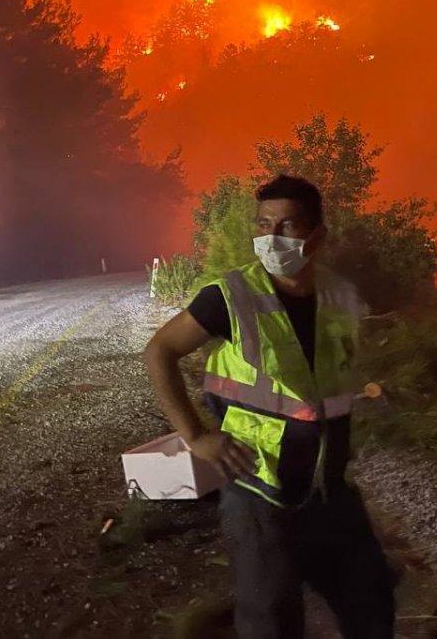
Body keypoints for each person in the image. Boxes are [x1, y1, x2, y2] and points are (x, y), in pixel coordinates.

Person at [143, 174, 396, 638]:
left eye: (287, 226)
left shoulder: (341, 295)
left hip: (330, 488)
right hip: (260, 490)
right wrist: (196, 437)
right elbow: (159, 351)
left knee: (372, 605)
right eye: (263, 225)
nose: (271, 238)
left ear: (317, 235)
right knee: (272, 623)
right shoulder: (230, 296)